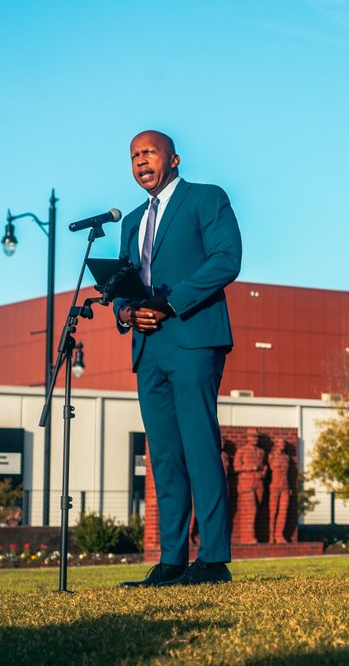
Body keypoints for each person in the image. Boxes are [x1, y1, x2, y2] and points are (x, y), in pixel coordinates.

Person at [116, 130, 242, 587]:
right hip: (148, 348)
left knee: (198, 446)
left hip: (193, 339)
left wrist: (169, 305)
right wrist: (127, 311)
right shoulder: (131, 221)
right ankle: (171, 560)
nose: (140, 161)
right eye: (133, 156)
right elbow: (124, 287)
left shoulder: (206, 199)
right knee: (164, 456)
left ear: (174, 159)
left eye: (148, 152)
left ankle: (213, 560)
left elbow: (227, 260)